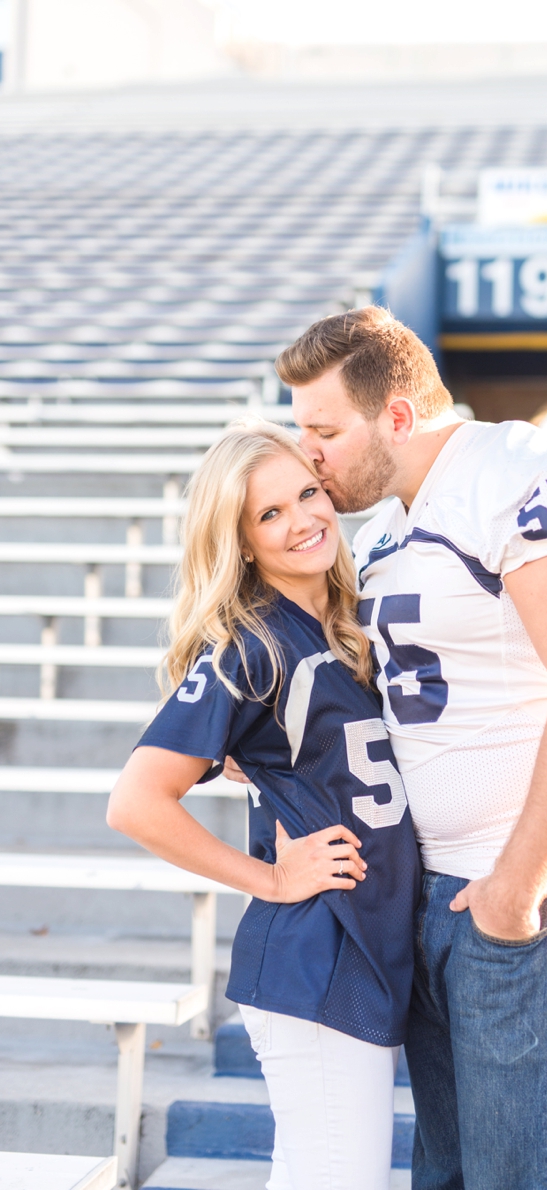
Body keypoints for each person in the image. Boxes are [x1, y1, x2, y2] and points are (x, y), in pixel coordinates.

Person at [272, 306, 547, 1189]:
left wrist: (516, 890)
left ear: (398, 415)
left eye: (326, 430)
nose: (312, 457)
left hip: (540, 896)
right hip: (440, 891)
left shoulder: (520, 473)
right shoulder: (382, 534)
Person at [107, 420, 421, 1190]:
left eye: (308, 494)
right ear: (241, 541)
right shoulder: (247, 644)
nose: (303, 520)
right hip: (316, 955)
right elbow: (137, 801)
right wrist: (273, 880)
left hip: (363, 945)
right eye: (269, 514)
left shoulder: (353, 622)